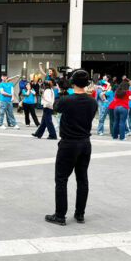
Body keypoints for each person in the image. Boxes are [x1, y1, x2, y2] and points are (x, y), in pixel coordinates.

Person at [44, 69, 98, 226]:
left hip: (69, 144)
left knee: (61, 179)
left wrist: (61, 90)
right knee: (82, 178)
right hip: (85, 143)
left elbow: (55, 106)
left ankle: (60, 215)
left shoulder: (67, 100)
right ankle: (80, 213)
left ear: (72, 83)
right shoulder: (92, 101)